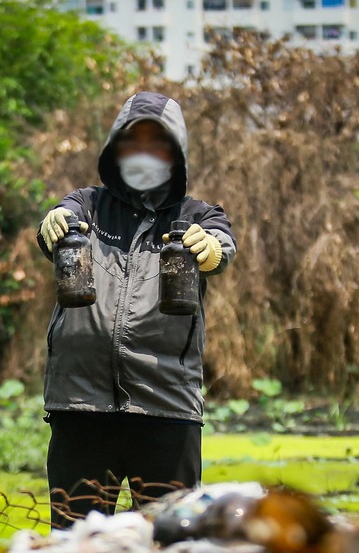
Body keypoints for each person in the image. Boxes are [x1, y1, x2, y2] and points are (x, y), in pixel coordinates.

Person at [36, 91, 237, 528]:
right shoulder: (86, 204)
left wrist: (209, 248)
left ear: (175, 154)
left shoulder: (199, 214)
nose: (143, 153)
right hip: (80, 405)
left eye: (156, 143)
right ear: (115, 150)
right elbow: (56, 225)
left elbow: (222, 247)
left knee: (172, 543)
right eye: (132, 142)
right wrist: (51, 222)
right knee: (75, 544)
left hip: (167, 405)